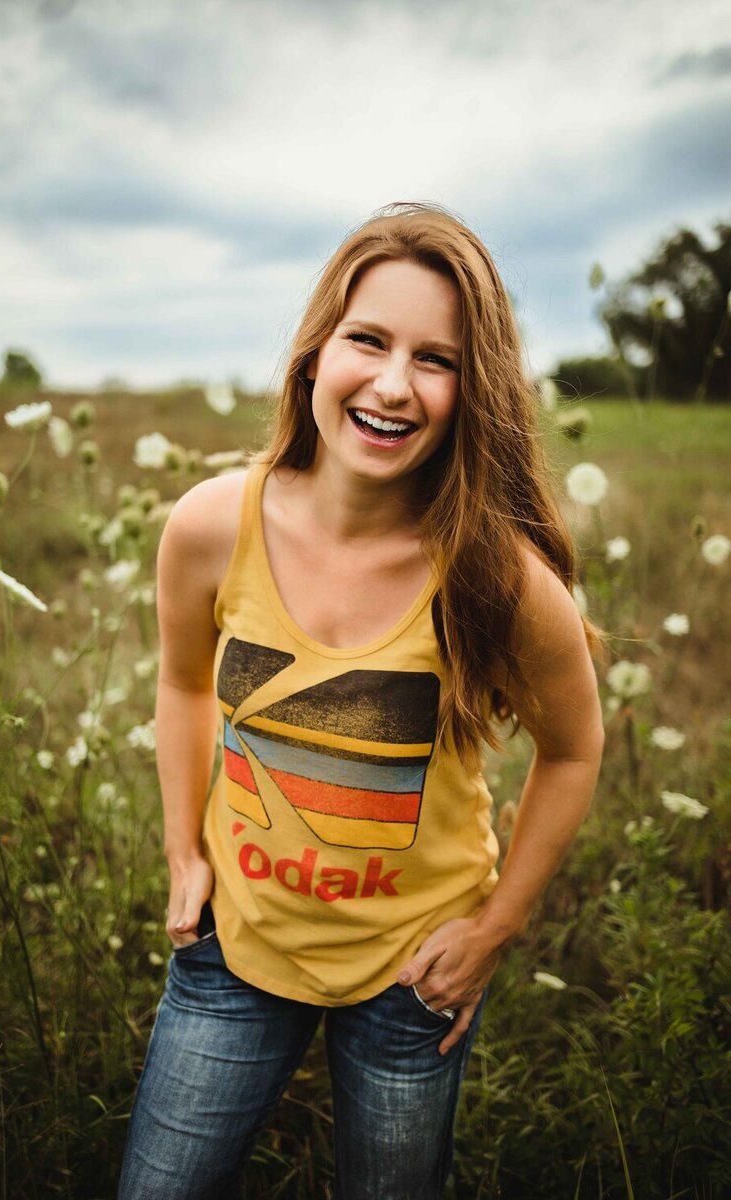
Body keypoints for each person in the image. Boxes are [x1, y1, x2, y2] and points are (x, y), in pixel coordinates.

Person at [118, 201, 605, 1200]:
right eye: (368, 340)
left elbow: (572, 750)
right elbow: (179, 683)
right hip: (232, 950)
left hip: (407, 978)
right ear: (313, 355)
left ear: (475, 393)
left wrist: (492, 930)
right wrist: (181, 851)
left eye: (437, 360)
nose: (393, 384)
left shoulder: (497, 580)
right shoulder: (213, 524)